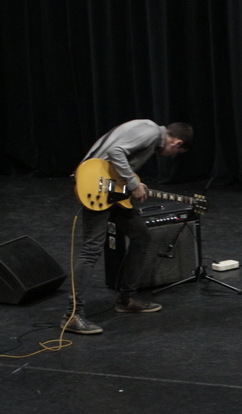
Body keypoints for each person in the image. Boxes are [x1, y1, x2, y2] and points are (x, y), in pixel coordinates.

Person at [64, 119, 193, 335]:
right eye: (176, 153)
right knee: (91, 250)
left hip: (110, 188)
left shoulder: (148, 132)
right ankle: (72, 315)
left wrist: (131, 183)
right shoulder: (151, 131)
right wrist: (133, 184)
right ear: (177, 143)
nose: (172, 157)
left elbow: (117, 157)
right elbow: (115, 151)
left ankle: (126, 299)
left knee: (141, 237)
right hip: (97, 186)